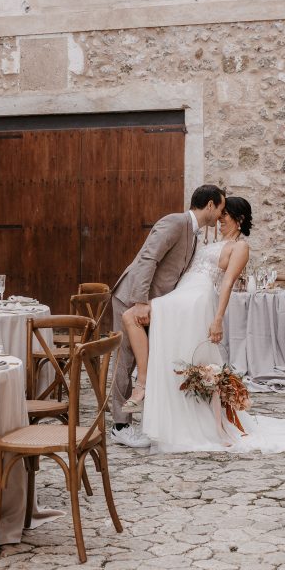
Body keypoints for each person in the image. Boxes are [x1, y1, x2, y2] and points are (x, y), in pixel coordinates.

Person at [141, 196, 285, 453]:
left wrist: (218, 318)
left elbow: (227, 283)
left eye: (226, 215)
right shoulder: (211, 241)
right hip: (182, 293)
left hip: (198, 301)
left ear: (239, 219)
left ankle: (194, 419)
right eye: (220, 214)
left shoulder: (240, 247)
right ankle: (169, 414)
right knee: (174, 351)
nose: (220, 219)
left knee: (183, 345)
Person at [110, 184, 226, 447]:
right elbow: (148, 259)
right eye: (220, 207)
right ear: (210, 205)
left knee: (148, 360)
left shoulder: (194, 235)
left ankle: (143, 418)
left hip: (155, 306)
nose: (221, 214)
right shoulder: (175, 222)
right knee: (125, 361)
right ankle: (119, 426)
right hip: (132, 298)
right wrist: (139, 301)